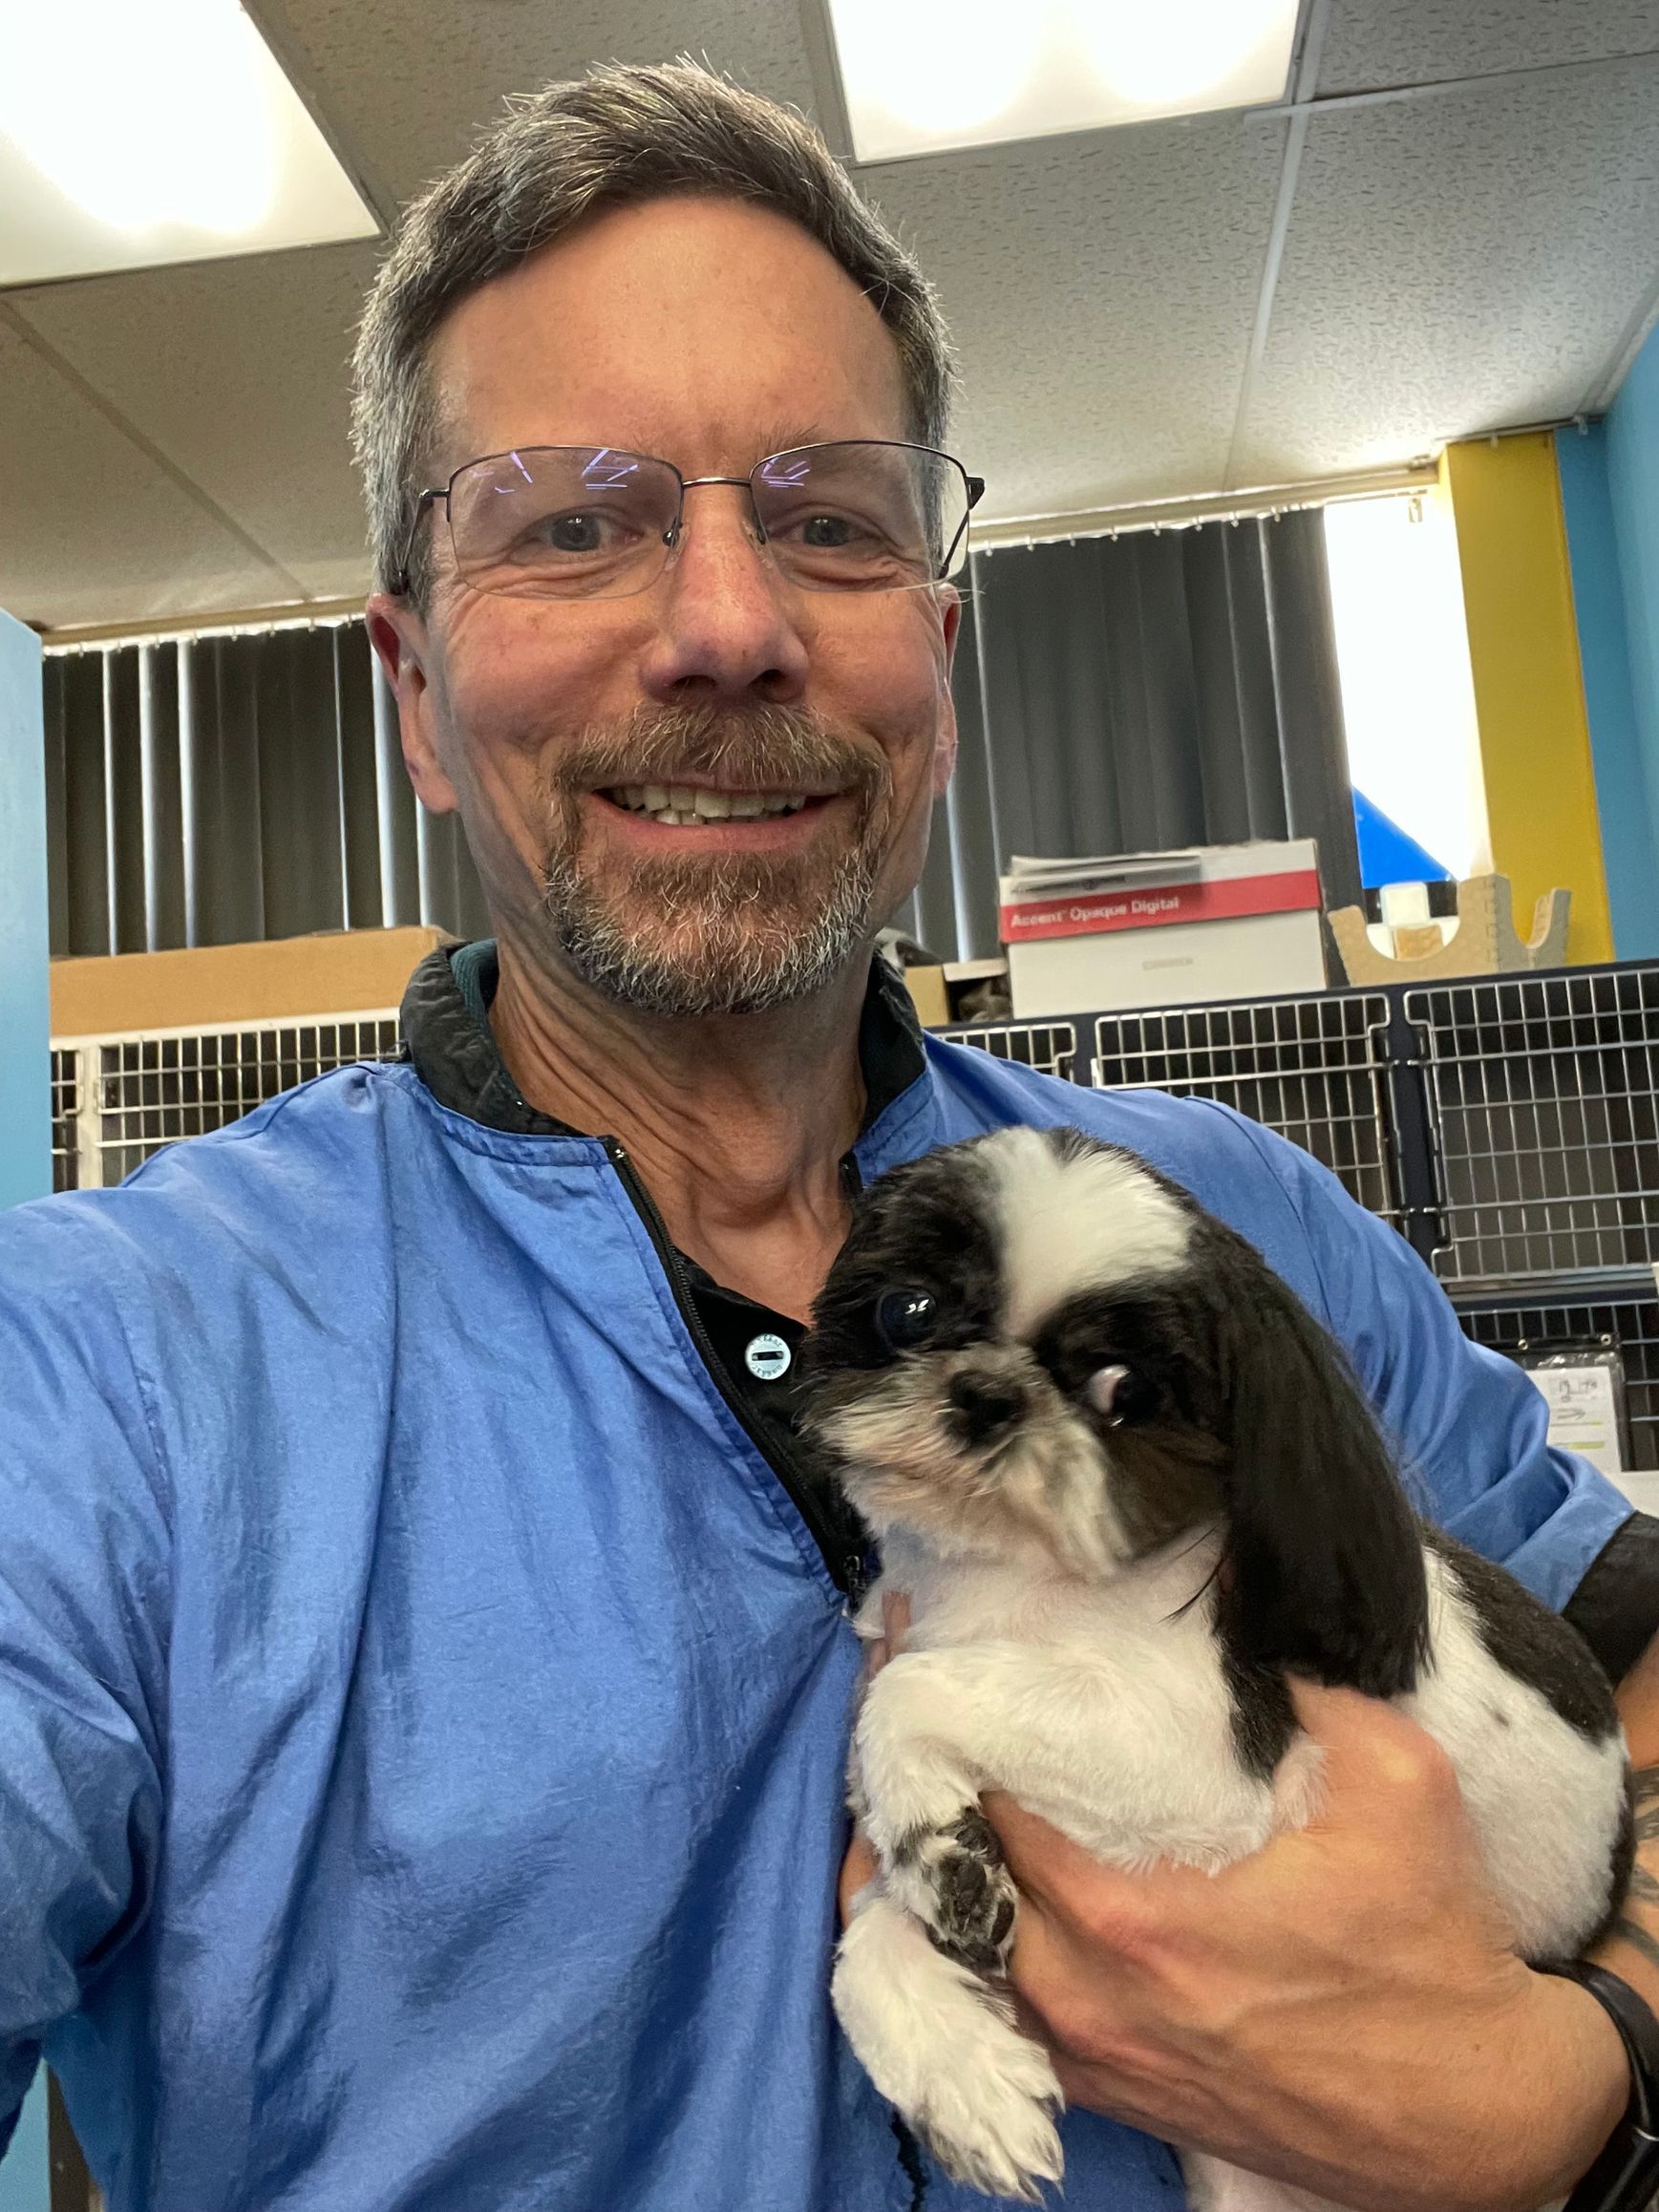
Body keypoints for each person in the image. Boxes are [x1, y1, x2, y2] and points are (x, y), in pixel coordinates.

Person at [2, 60, 1656, 2212]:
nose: (725, 627)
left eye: (827, 518)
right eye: (574, 518)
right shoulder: (107, 1375)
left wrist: (1579, 2058)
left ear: (935, 659)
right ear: (409, 685)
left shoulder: (1231, 1223)